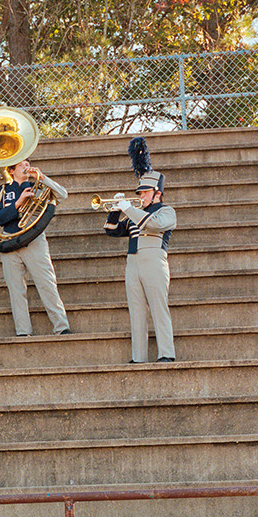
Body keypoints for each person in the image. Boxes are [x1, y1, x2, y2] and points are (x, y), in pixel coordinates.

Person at [104, 137, 177, 363]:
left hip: (154, 261)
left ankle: (166, 353)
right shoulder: (135, 215)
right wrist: (116, 210)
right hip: (132, 262)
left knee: (158, 308)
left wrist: (128, 208)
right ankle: (139, 357)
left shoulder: (167, 212)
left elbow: (152, 224)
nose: (141, 196)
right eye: (140, 193)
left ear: (158, 193)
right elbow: (112, 230)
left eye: (145, 192)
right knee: (136, 312)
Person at [0, 158, 72, 336]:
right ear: (11, 171)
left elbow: (62, 195)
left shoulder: (39, 187)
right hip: (10, 241)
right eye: (21, 165)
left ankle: (61, 326)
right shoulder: (2, 190)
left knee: (47, 283)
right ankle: (23, 331)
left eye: (28, 164)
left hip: (34, 241)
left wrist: (42, 177)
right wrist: (18, 203)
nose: (26, 167)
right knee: (16, 289)